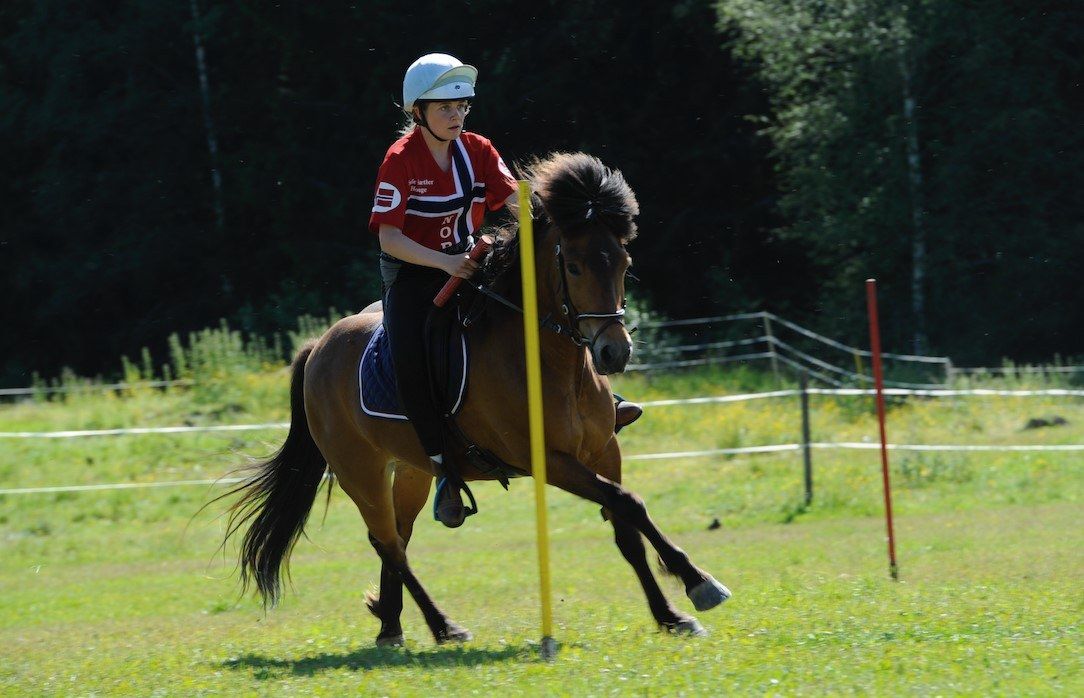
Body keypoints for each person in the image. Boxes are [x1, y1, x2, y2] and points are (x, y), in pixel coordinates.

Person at [369, 53, 643, 529]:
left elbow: (518, 202)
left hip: (470, 262)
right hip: (413, 276)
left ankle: (600, 404)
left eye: (461, 107)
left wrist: (572, 220)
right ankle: (443, 469)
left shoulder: (477, 149)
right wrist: (444, 260)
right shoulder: (399, 160)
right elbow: (389, 237)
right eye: (444, 109)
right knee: (412, 356)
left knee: (540, 312)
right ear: (419, 112)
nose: (455, 116)